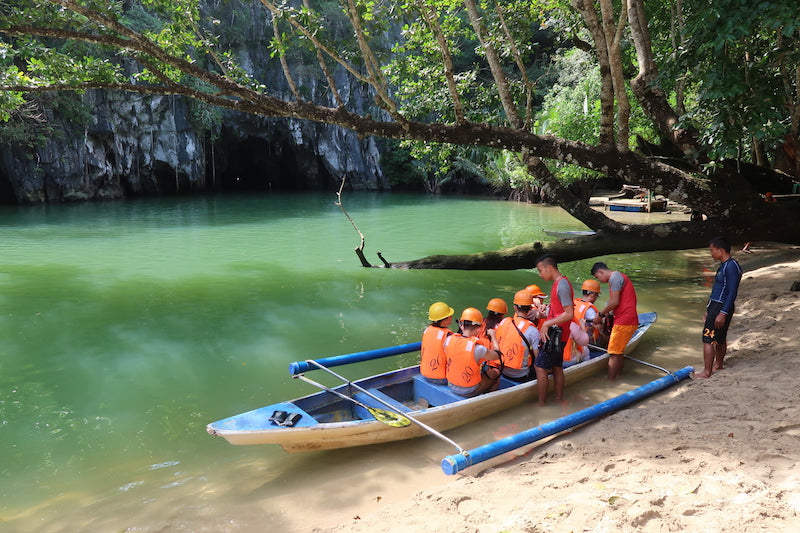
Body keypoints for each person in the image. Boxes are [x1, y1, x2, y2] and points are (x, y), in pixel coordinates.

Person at [695, 236, 742, 378]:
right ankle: (718, 365)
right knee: (720, 338)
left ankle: (706, 372)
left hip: (720, 307)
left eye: (712, 251)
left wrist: (723, 312)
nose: (711, 253)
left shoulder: (731, 266)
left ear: (721, 250)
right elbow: (717, 290)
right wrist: (708, 310)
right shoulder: (725, 266)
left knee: (708, 339)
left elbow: (732, 291)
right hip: (716, 307)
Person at [534, 254, 574, 405]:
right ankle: (558, 399)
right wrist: (548, 307)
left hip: (555, 333)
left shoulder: (562, 285)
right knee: (557, 366)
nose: (540, 274)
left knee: (539, 366)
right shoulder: (560, 283)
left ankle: (541, 403)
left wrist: (546, 324)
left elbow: (569, 313)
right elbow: (561, 308)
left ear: (549, 268)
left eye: (540, 270)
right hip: (560, 332)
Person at [590, 262, 639, 380]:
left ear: (601, 272)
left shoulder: (615, 278)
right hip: (626, 319)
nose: (600, 281)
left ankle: (610, 381)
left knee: (612, 353)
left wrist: (600, 315)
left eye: (597, 277)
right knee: (618, 351)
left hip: (624, 321)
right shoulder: (617, 277)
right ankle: (619, 376)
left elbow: (614, 302)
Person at [444, 307, 502, 397]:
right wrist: (493, 336)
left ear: (462, 325)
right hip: (468, 389)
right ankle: (487, 400)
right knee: (496, 373)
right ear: (479, 329)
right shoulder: (478, 348)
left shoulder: (448, 340)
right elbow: (497, 355)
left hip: (451, 385)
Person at [495, 290, 540, 382]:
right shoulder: (533, 330)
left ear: (515, 308)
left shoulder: (504, 322)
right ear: (530, 309)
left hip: (501, 368)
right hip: (519, 374)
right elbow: (538, 358)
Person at [420, 302, 455, 384]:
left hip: (425, 374)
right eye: (449, 315)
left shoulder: (427, 330)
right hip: (441, 378)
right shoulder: (448, 336)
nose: (451, 317)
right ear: (445, 320)